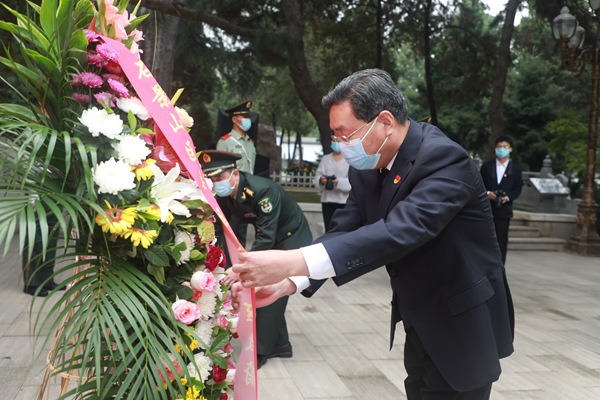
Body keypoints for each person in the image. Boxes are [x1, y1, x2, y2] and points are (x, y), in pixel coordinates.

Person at [231, 69, 514, 399]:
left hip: (462, 320)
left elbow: (399, 231)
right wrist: (291, 280)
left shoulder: (443, 159)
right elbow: (347, 227)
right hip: (419, 317)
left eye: (345, 134)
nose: (341, 145)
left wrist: (291, 259)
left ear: (385, 122)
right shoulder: (368, 166)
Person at [199, 149, 313, 369]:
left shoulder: (262, 191)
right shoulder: (227, 194)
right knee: (270, 294)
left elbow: (266, 238)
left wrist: (241, 268)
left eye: (220, 178)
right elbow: (222, 226)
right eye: (212, 179)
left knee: (268, 289)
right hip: (275, 236)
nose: (216, 183)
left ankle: (260, 352)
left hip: (292, 237)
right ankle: (281, 345)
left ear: (234, 173)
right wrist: (218, 258)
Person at [480, 136, 523, 265]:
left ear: (510, 149)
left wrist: (507, 197)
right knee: (485, 238)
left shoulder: (515, 168)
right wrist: (488, 194)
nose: (501, 150)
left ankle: (500, 267)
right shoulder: (487, 167)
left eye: (505, 147)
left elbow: (517, 188)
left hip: (504, 210)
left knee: (501, 240)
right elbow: (479, 185)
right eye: (499, 147)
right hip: (488, 209)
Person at [22, 214, 63, 296]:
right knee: (35, 238)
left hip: (54, 201)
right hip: (36, 202)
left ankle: (47, 280)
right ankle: (31, 283)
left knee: (51, 238)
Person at [314, 142, 351, 232]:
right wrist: (322, 180)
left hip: (343, 201)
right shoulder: (325, 159)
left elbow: (352, 180)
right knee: (329, 227)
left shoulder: (349, 159)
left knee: (343, 228)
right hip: (327, 200)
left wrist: (338, 182)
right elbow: (318, 176)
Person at [216, 100, 256, 174]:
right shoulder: (225, 142)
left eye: (248, 117)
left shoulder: (250, 142)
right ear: (234, 119)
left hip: (249, 182)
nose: (248, 119)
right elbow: (221, 171)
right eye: (245, 117)